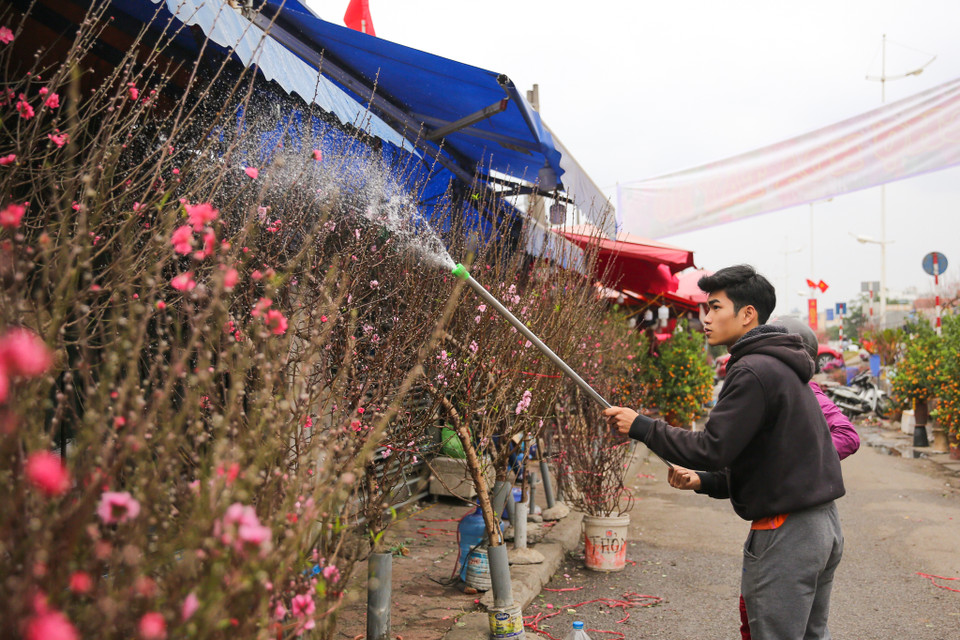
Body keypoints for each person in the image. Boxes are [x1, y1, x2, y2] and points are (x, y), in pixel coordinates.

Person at [604, 265, 845, 640]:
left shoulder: (754, 370)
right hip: (822, 527)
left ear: (747, 314)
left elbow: (712, 447)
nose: (706, 318)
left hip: (789, 534)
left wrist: (642, 426)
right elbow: (769, 460)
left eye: (715, 307)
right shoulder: (781, 365)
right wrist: (704, 481)